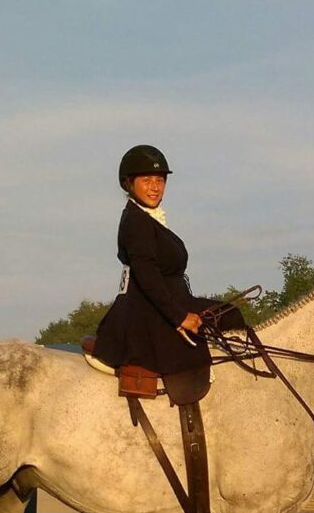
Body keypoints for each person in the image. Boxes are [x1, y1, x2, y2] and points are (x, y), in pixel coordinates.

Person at [92, 145, 230, 378]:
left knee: (229, 313)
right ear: (129, 183)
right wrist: (179, 317)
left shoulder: (150, 218)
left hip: (169, 301)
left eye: (160, 180)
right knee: (193, 357)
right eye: (147, 180)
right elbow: (147, 276)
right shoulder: (136, 222)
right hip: (145, 311)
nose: (155, 187)